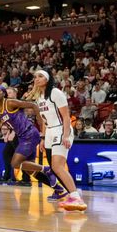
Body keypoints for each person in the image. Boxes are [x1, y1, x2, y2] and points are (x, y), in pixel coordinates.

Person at [30, 69, 87, 211]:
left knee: (57, 166)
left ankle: (76, 197)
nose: (36, 79)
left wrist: (66, 135)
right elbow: (43, 120)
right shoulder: (39, 96)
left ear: (47, 79)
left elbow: (66, 116)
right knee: (53, 167)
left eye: (40, 76)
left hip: (60, 128)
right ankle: (71, 194)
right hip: (49, 131)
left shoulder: (55, 93)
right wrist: (43, 138)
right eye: (35, 76)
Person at [0, 85, 59, 192]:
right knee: (30, 169)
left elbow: (34, 105)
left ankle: (46, 169)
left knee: (15, 163)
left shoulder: (10, 102)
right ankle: (58, 189)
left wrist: (40, 123)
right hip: (22, 137)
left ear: (3, 93)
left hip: (29, 132)